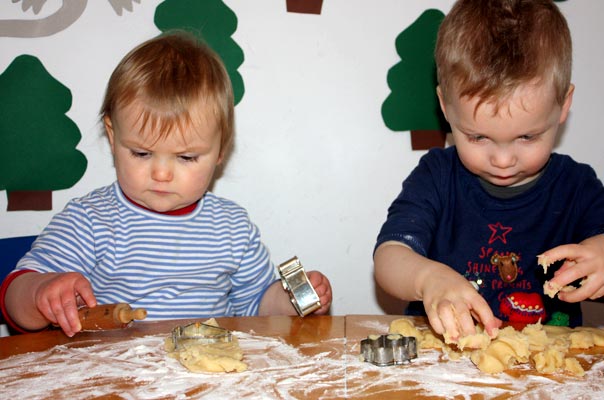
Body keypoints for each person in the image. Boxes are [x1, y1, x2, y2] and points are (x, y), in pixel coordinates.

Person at [0, 31, 332, 337]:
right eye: (142, 153)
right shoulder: (91, 220)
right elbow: (16, 297)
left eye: (186, 157)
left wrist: (295, 300)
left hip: (207, 376)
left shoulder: (233, 227)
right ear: (113, 136)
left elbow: (256, 307)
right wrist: (40, 292)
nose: (161, 173)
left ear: (220, 150)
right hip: (114, 379)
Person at [374, 0, 604, 342]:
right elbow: (389, 258)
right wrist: (428, 279)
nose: (502, 159)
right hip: (444, 363)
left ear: (563, 106)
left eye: (527, 136)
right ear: (445, 107)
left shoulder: (577, 187)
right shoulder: (437, 177)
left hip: (545, 376)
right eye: (478, 136)